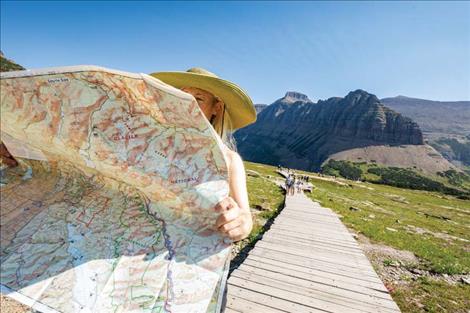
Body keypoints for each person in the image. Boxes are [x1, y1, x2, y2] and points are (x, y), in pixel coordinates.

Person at [151, 67, 257, 311]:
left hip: (195, 274)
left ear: (216, 108)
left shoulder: (229, 161)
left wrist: (239, 222)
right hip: (146, 268)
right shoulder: (151, 152)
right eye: (180, 96)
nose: (186, 104)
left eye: (197, 99)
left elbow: (245, 219)